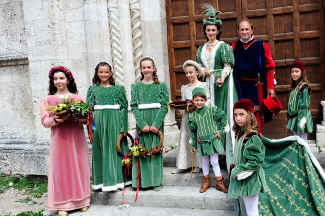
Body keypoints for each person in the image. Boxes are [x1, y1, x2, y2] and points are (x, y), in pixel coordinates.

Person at [40, 66, 90, 216]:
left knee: (79, 166)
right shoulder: (48, 101)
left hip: (76, 139)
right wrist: (54, 119)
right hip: (59, 140)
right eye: (55, 79)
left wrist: (81, 117)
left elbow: (86, 120)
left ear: (68, 80)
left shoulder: (78, 99)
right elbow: (44, 121)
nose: (58, 81)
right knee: (61, 170)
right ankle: (63, 205)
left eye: (61, 78)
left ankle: (83, 201)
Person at [196, 5, 237, 173]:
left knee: (222, 117)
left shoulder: (224, 47)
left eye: (213, 30)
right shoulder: (201, 49)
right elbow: (197, 65)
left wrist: (223, 76)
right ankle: (211, 158)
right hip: (207, 85)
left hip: (222, 85)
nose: (210, 32)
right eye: (208, 30)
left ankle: (229, 157)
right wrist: (201, 70)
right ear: (204, 31)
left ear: (218, 30)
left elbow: (228, 65)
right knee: (208, 118)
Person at [86, 62, 129, 192]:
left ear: (110, 73)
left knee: (115, 149)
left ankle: (118, 181)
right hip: (98, 123)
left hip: (115, 121)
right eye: (101, 72)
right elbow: (89, 110)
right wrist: (90, 129)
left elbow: (124, 108)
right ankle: (102, 182)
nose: (103, 74)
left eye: (106, 72)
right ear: (97, 73)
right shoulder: (93, 89)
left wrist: (124, 128)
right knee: (100, 150)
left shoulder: (118, 89)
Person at [130, 57, 169, 191]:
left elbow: (164, 105)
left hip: (156, 119)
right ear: (140, 70)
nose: (147, 70)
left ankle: (155, 181)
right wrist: (141, 124)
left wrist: (157, 124)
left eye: (149, 67)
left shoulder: (161, 86)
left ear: (154, 68)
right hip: (143, 120)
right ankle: (141, 182)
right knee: (141, 150)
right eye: (144, 68)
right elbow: (134, 106)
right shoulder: (135, 86)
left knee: (155, 150)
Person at [232, 20, 276, 133]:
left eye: (247, 29)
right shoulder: (234, 46)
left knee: (256, 115)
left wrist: (270, 88)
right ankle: (245, 142)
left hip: (257, 86)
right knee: (242, 114)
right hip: (240, 87)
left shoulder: (262, 46)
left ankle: (257, 142)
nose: (244, 32)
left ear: (252, 30)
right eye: (242, 29)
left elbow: (270, 68)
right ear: (238, 31)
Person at [229, 98, 266, 216]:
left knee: (251, 211)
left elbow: (255, 162)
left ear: (249, 115)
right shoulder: (239, 133)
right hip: (243, 177)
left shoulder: (252, 136)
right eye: (235, 115)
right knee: (247, 208)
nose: (238, 118)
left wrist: (238, 170)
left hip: (250, 179)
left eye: (241, 114)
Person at [171, 60, 209, 174]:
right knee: (185, 137)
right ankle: (183, 164)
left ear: (197, 72)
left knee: (196, 139)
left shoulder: (202, 85)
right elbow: (183, 102)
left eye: (191, 72)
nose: (189, 75)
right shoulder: (184, 87)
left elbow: (208, 101)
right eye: (187, 73)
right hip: (187, 117)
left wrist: (197, 106)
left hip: (198, 116)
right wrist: (182, 106)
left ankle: (198, 164)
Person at [188, 87, 228, 193]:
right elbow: (193, 131)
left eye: (202, 100)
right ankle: (206, 181)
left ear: (206, 100)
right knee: (204, 162)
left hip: (213, 141)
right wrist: (193, 145)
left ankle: (219, 183)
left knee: (214, 162)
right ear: (193, 100)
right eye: (197, 100)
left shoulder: (212, 110)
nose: (199, 102)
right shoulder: (193, 116)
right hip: (201, 142)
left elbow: (224, 117)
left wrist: (221, 130)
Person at [286, 61, 313, 143]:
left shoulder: (304, 87)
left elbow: (304, 107)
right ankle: (300, 156)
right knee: (297, 141)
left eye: (297, 71)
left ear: (302, 72)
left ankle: (306, 156)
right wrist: (289, 123)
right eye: (292, 71)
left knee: (303, 142)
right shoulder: (293, 88)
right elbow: (290, 107)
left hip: (301, 120)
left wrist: (301, 125)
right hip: (294, 120)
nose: (294, 74)